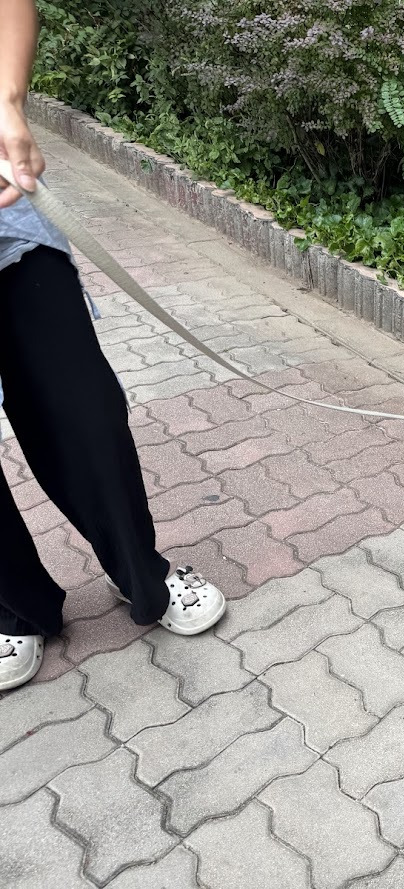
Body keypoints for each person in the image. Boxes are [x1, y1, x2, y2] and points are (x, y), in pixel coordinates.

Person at [0, 0, 226, 691]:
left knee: (87, 413)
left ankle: (143, 573)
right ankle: (13, 608)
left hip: (10, 229)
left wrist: (6, 102)